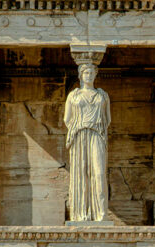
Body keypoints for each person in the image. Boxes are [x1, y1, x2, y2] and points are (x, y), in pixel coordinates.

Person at [64, 63, 111, 221]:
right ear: (80, 75)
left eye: (92, 72)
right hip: (79, 135)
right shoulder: (73, 95)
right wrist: (79, 126)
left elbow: (107, 119)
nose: (89, 75)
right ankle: (80, 214)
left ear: (96, 74)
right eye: (86, 72)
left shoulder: (102, 96)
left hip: (97, 134)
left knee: (99, 173)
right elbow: (67, 119)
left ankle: (100, 214)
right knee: (81, 173)